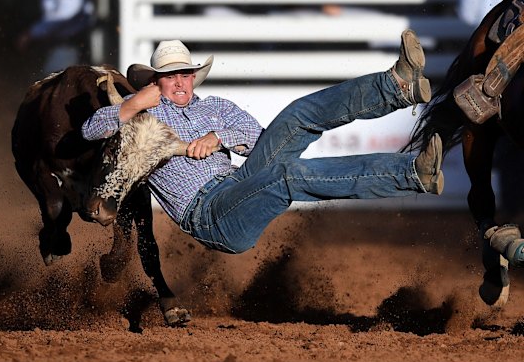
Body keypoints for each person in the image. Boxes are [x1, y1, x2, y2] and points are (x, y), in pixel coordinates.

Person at [82, 31, 442, 254]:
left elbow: (258, 141)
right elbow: (90, 130)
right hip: (208, 214)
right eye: (169, 76)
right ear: (156, 82)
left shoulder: (218, 108)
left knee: (298, 114)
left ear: (194, 77)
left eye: (184, 74)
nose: (179, 82)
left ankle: (396, 87)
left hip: (240, 184)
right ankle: (411, 173)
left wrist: (218, 137)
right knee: (287, 175)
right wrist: (131, 105)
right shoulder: (143, 117)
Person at [16, 0, 94, 75]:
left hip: (69, 43)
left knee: (56, 87)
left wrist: (33, 32)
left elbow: (70, 5)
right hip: (59, 43)